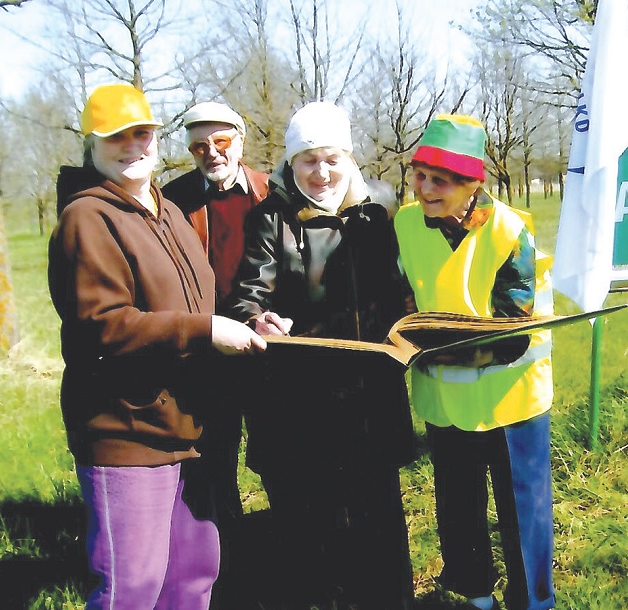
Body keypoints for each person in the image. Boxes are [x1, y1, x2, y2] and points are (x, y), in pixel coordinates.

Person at [47, 83, 266, 610]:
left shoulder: (167, 210)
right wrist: (205, 331)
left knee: (193, 574)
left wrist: (252, 317)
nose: (133, 146)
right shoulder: (87, 218)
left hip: (192, 427)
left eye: (142, 133)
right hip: (128, 430)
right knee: (132, 587)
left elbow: (204, 294)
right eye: (116, 137)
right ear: (92, 145)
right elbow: (102, 327)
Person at [225, 101, 415, 608]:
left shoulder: (383, 207)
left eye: (332, 157)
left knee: (378, 515)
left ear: (349, 157)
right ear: (291, 163)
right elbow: (248, 293)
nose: (322, 171)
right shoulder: (271, 217)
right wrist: (255, 318)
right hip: (299, 400)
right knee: (311, 521)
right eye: (308, 159)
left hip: (371, 395)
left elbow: (405, 282)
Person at [393, 114, 557, 610]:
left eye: (438, 181)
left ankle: (533, 600)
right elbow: (402, 295)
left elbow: (513, 329)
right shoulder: (403, 223)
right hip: (444, 399)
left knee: (523, 508)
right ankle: (474, 593)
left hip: (511, 399)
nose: (423, 189)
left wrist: (434, 341)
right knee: (457, 503)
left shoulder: (510, 231)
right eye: (418, 175)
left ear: (471, 185)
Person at [159, 103, 269, 607]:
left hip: (270, 354)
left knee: (277, 462)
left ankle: (289, 564)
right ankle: (230, 580)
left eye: (221, 142)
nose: (211, 153)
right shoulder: (174, 200)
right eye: (200, 145)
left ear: (240, 141)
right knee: (213, 469)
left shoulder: (273, 191)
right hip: (207, 355)